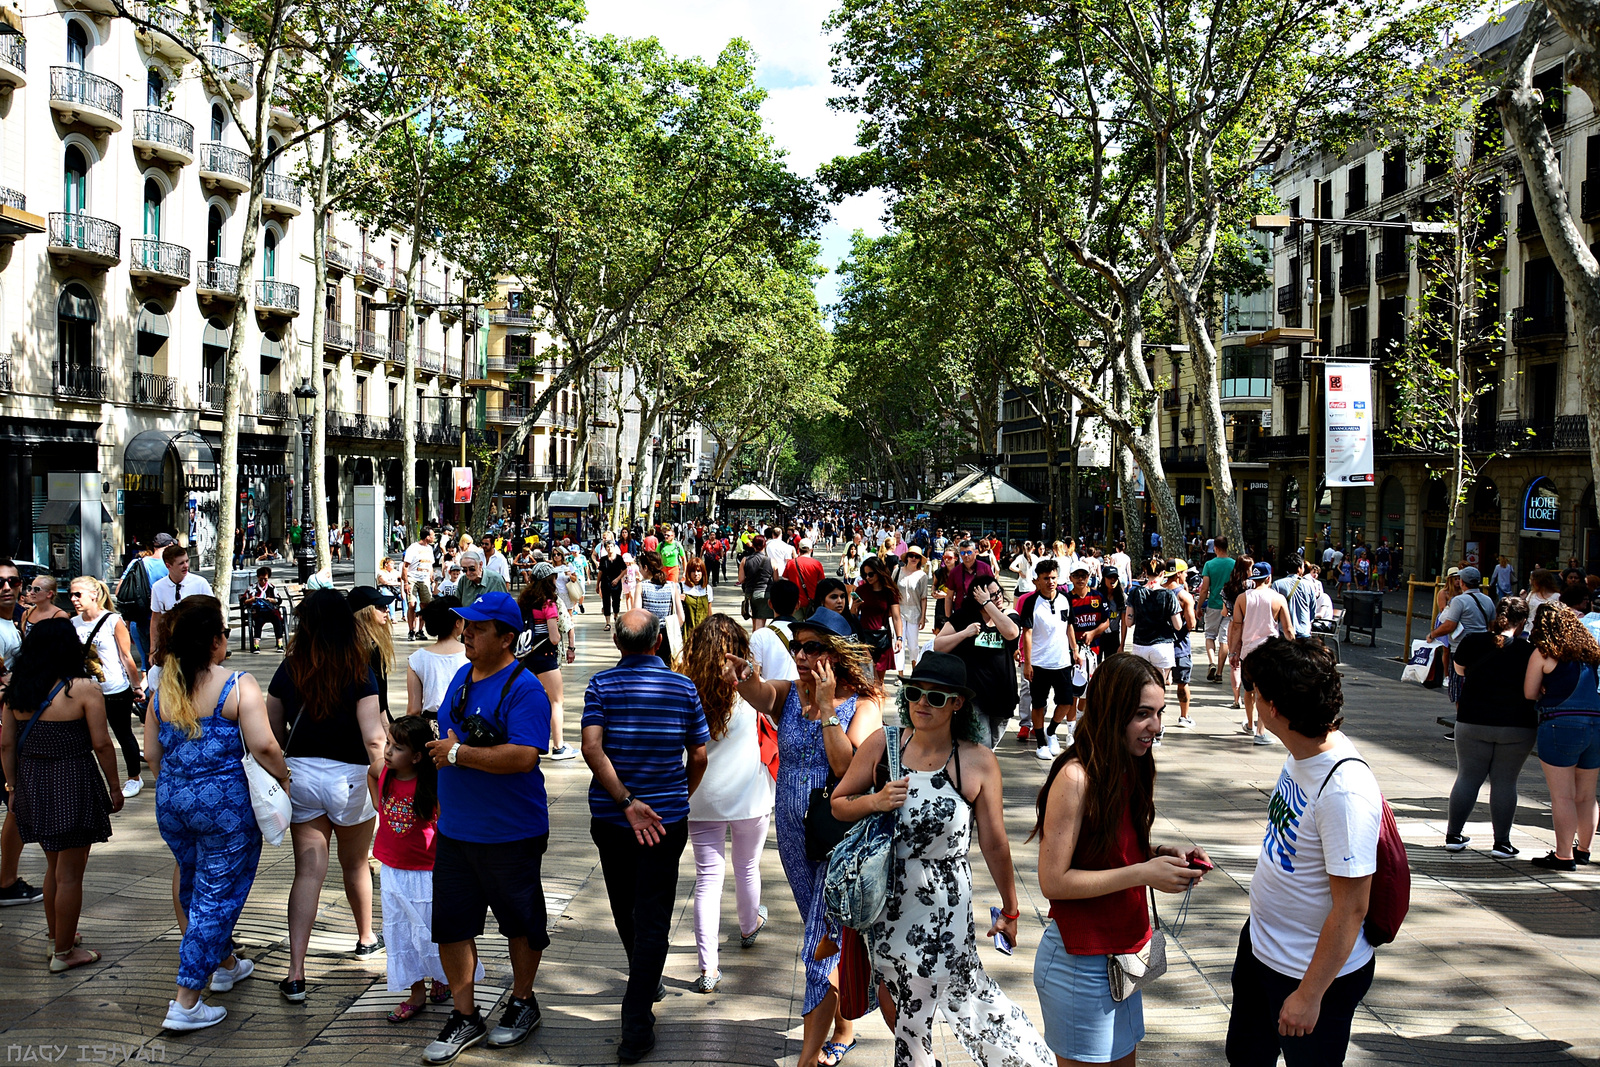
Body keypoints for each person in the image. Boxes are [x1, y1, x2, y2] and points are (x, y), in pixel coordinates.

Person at [832, 653, 1053, 1067]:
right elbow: (839, 804)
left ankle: (1027, 1060)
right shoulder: (884, 744)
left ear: (957, 704)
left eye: (936, 697)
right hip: (887, 900)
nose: (922, 703)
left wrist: (1011, 907)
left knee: (960, 995)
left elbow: (994, 842)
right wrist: (875, 801)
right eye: (915, 693)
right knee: (900, 995)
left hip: (944, 904)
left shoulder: (976, 760)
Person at [1031, 653, 1208, 1066]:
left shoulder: (1130, 764)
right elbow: (1053, 881)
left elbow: (1111, 850)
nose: (1156, 727)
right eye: (1143, 714)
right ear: (1112, 711)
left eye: (1160, 713)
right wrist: (1143, 872)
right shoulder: (1076, 777)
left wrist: (1163, 855)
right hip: (1080, 963)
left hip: (1124, 961)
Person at [730, 607, 886, 1067]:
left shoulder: (863, 702)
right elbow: (758, 692)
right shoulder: (789, 693)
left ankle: (807, 1058)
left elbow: (845, 768)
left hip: (838, 837)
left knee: (819, 944)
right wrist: (742, 676)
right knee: (824, 934)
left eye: (811, 647)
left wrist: (825, 709)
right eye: (796, 646)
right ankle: (845, 1026)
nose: (800, 655)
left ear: (836, 654)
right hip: (795, 837)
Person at [1229, 637, 1383, 1066]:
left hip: (1308, 975)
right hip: (1263, 948)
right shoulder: (1301, 754)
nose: (1251, 699)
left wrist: (1309, 995)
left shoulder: (1344, 790)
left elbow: (1352, 907)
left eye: (1254, 692)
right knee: (1244, 1057)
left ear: (1273, 707)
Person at [421, 591, 554, 1063]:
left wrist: (458, 754)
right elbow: (450, 733)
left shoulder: (524, 687)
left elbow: (523, 755)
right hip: (457, 829)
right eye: (466, 624)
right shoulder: (462, 676)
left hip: (510, 831)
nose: (468, 632)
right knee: (452, 926)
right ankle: (465, 1013)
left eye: (479, 626)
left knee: (520, 923)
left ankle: (522, 1001)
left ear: (507, 638)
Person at [145, 595, 287, 1030]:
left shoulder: (162, 690)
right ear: (213, 641)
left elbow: (152, 754)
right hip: (224, 808)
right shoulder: (237, 684)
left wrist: (181, 785)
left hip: (173, 803)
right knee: (216, 896)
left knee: (193, 884)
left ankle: (225, 964)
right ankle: (186, 1001)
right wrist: (284, 778)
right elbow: (263, 745)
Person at [583, 610, 711, 1060]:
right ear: (658, 642)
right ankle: (637, 1021)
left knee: (624, 905)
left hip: (614, 819)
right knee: (652, 913)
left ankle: (642, 989)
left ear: (619, 645)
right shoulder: (682, 687)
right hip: (664, 821)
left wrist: (624, 801)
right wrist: (676, 797)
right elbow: (698, 755)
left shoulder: (600, 685)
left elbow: (590, 747)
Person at [267, 590, 387, 1002]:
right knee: (355, 864)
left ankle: (296, 972)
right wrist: (384, 783)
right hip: (351, 778)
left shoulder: (289, 668)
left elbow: (271, 730)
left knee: (308, 872)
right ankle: (366, 937)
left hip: (301, 775)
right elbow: (374, 739)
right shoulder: (360, 668)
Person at [0, 618, 122, 972]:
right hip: (72, 780)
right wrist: (115, 786)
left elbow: (6, 743)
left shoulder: (17, 690)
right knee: (70, 872)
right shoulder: (83, 689)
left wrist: (11, 786)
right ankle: (65, 953)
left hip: (33, 781)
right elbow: (101, 743)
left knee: (54, 867)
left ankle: (59, 937)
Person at [370, 715, 484, 1024]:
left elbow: (447, 818)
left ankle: (443, 980)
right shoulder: (385, 775)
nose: (388, 751)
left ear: (418, 756)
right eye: (389, 744)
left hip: (427, 872)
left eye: (397, 747)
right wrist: (379, 809)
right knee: (401, 934)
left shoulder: (431, 786)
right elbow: (371, 775)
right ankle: (416, 991)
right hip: (393, 870)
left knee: (431, 932)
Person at [682, 615, 774, 993]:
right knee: (747, 865)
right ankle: (749, 925)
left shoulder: (686, 688)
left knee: (708, 878)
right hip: (750, 794)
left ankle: (708, 968)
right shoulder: (751, 688)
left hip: (699, 794)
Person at [1444, 596, 1535, 857]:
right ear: (1523, 621)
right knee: (1505, 782)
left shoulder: (1473, 641)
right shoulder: (1527, 650)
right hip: (1516, 724)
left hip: (1472, 720)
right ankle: (1502, 843)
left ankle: (1453, 835)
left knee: (1467, 777)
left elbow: (1460, 671)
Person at [1523, 602, 1600, 871]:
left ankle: (1563, 855)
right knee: (1587, 796)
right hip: (1596, 724)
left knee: (1562, 796)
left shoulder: (1544, 653)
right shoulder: (1589, 653)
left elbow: (1530, 693)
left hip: (1559, 725)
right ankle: (1584, 851)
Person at [70, 577, 146, 799]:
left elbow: (126, 656)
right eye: (71, 595)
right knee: (87, 737)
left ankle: (134, 777)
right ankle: (89, 781)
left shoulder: (113, 621)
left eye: (78, 594)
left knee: (122, 733)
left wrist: (136, 687)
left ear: (93, 595)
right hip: (85, 691)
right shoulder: (73, 623)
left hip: (114, 688)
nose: (73, 599)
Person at [933, 573, 1021, 748]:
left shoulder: (1008, 615)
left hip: (1003, 694)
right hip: (975, 694)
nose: (998, 598)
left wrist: (988, 604)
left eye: (999, 593)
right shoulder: (964, 616)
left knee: (991, 746)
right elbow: (938, 645)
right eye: (992, 595)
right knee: (983, 745)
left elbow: (1012, 633)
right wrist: (964, 633)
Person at [516, 563, 580, 762]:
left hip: (526, 658)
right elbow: (553, 637)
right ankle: (559, 747)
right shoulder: (548, 603)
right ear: (550, 580)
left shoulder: (524, 601)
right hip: (545, 658)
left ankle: (526, 741)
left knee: (530, 699)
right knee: (556, 701)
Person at [1228, 562, 1294, 745]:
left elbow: (1236, 628)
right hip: (1269, 652)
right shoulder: (1278, 599)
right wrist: (1295, 648)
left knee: (1248, 691)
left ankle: (1250, 724)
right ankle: (1260, 732)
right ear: (1268, 577)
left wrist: (1233, 652)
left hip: (1248, 652)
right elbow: (1288, 629)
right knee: (1264, 693)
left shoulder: (1242, 598)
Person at [1021, 559, 1078, 760]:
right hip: (1039, 662)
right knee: (1038, 704)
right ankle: (1040, 742)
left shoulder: (1065, 599)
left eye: (1053, 577)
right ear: (1037, 580)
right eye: (1046, 578)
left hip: (1062, 660)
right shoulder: (1030, 602)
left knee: (1065, 701)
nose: (1050, 582)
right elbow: (1026, 633)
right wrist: (1027, 663)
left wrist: (1075, 650)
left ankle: (1051, 731)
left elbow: (1069, 625)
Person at [1429, 566, 1496, 707]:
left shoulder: (1459, 601)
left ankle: (1461, 722)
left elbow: (1449, 625)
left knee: (1459, 688)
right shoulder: (1488, 600)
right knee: (1478, 685)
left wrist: (1433, 634)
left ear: (1463, 582)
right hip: (1482, 649)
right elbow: (1492, 626)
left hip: (1461, 648)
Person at [407, 597, 469, 726]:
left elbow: (414, 710)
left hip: (431, 727)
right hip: (464, 724)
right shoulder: (472, 655)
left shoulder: (417, 659)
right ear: (457, 623)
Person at [1124, 559, 1183, 684]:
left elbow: (1128, 622)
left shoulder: (1135, 593)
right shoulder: (1169, 595)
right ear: (1162, 573)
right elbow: (1178, 626)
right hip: (1162, 646)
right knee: (1159, 686)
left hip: (1140, 645)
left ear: (1145, 572)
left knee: (1141, 686)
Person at [854, 555, 904, 677]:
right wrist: (853, 607)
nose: (867, 577)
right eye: (865, 575)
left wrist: (899, 638)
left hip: (882, 638)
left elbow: (897, 617)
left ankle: (879, 697)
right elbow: (853, 616)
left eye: (871, 574)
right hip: (864, 638)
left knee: (879, 681)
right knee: (867, 680)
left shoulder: (890, 592)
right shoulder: (861, 590)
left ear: (879, 572)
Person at [638, 551, 687, 668]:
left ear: (646, 567)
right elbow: (681, 618)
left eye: (640, 566)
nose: (639, 569)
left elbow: (637, 615)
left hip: (648, 637)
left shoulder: (641, 586)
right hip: (667, 637)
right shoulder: (671, 586)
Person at [895, 546, 930, 676]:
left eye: (917, 556)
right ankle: (900, 675)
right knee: (899, 643)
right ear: (907, 557)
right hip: (899, 612)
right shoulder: (898, 572)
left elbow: (924, 598)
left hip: (915, 612)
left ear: (920, 559)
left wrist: (923, 616)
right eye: (911, 555)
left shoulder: (922, 576)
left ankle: (915, 671)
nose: (913, 558)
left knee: (913, 645)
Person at [403, 530, 438, 642]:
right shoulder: (413, 548)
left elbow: (430, 565)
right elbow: (405, 566)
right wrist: (406, 582)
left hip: (425, 579)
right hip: (413, 578)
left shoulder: (429, 549)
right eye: (432, 535)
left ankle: (420, 630)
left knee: (426, 605)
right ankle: (411, 630)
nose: (434, 537)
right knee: (412, 604)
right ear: (427, 537)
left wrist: (432, 580)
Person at [739, 536, 775, 629]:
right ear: (765, 545)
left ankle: (756, 641)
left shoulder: (745, 560)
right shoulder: (771, 561)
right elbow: (776, 580)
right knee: (760, 621)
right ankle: (757, 641)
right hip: (766, 593)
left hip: (751, 594)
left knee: (756, 621)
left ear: (753, 545)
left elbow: (741, 579)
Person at [788, 539, 827, 617]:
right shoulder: (816, 564)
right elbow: (822, 583)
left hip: (795, 601)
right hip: (812, 601)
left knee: (797, 626)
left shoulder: (791, 563)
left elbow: (786, 581)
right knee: (810, 626)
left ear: (799, 549)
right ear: (811, 550)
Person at [598, 543, 627, 632]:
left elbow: (625, 570)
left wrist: (618, 579)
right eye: (608, 547)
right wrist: (597, 584)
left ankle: (616, 615)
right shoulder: (603, 559)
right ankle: (607, 622)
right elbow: (600, 572)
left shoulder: (619, 558)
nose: (609, 548)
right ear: (605, 548)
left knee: (616, 600)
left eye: (611, 546)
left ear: (614, 548)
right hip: (605, 583)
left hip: (616, 583)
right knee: (606, 602)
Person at [681, 557, 714, 631]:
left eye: (698, 571)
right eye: (693, 571)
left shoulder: (707, 589)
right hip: (685, 632)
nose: (696, 574)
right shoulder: (681, 587)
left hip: (702, 632)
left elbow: (709, 613)